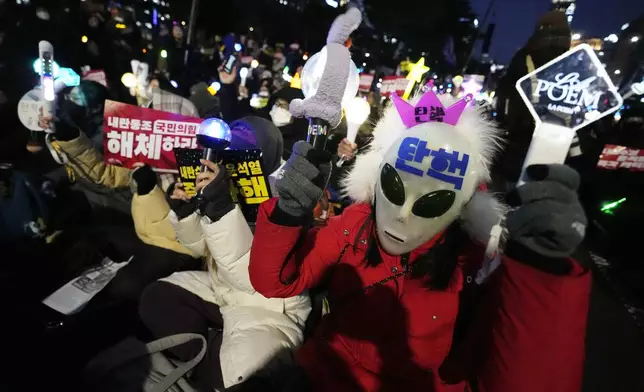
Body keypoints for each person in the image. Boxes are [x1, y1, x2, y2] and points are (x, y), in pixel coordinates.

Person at [248, 84, 591, 391]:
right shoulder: (355, 224)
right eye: (395, 188)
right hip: (324, 376)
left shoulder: (475, 265)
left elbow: (520, 375)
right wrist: (288, 213)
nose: (403, 213)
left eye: (432, 200)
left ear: (462, 205)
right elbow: (276, 281)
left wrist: (539, 271)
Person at [138, 116, 310, 392]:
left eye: (241, 155)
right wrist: (185, 211)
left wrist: (219, 208)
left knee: (240, 378)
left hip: (268, 305)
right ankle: (205, 355)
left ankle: (216, 360)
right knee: (157, 297)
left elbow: (252, 277)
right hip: (224, 288)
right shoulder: (223, 185)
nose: (228, 162)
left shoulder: (286, 202)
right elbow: (202, 248)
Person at [492, 10, 572, 190]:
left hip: (516, 149)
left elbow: (502, 103)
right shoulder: (573, 67)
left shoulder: (522, 60)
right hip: (557, 154)